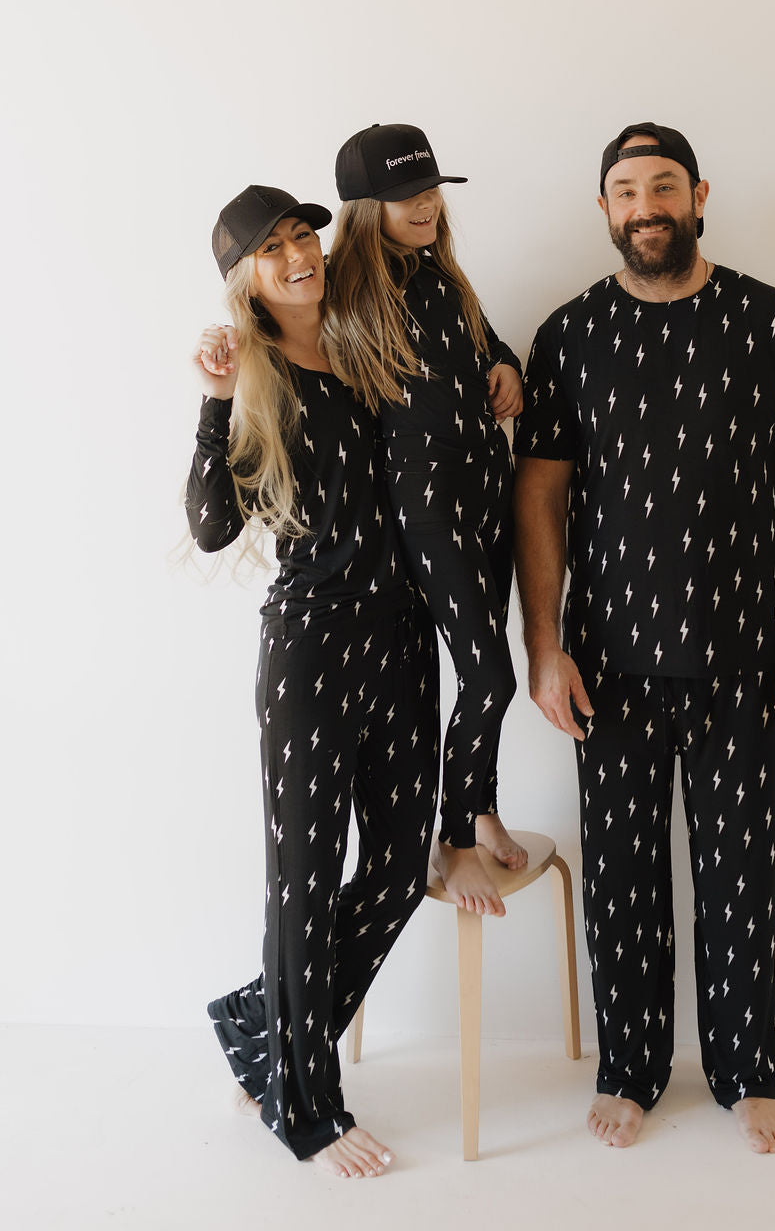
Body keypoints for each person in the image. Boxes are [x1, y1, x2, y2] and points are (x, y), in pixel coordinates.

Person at [514, 123, 775, 1155]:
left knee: (742, 872)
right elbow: (540, 504)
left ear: (698, 195)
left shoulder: (772, 321)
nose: (645, 204)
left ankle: (747, 1071)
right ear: (605, 211)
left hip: (748, 656)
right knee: (620, 879)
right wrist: (543, 644)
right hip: (607, 660)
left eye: (663, 185)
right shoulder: (567, 336)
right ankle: (631, 1069)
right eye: (625, 190)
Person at [186, 184, 440, 1178]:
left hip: (405, 639)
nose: (298, 253)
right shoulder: (249, 371)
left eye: (303, 235)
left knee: (394, 864)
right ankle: (304, 1103)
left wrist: (500, 372)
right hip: (312, 648)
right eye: (272, 247)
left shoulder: (367, 343)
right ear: (245, 277)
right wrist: (212, 406)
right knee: (302, 874)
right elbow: (213, 526)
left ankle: (259, 1019)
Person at [322, 123, 524, 917]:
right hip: (427, 511)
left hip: (487, 493)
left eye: (433, 190)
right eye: (408, 196)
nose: (428, 205)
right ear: (367, 207)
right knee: (489, 674)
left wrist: (502, 360)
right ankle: (456, 840)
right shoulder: (343, 288)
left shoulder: (442, 277)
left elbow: (476, 345)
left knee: (488, 669)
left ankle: (478, 803)